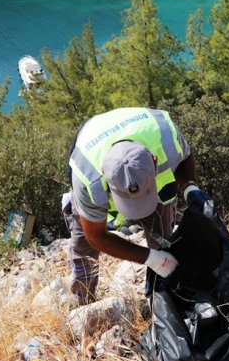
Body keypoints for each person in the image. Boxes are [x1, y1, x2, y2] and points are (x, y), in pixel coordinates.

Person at [62, 107, 213, 304]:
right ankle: (83, 303)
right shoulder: (86, 177)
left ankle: (166, 297)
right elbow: (96, 237)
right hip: (91, 144)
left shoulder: (165, 136)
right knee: (83, 246)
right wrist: (150, 258)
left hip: (144, 145)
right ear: (103, 172)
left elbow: (184, 156)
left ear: (154, 159)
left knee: (162, 239)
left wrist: (190, 188)